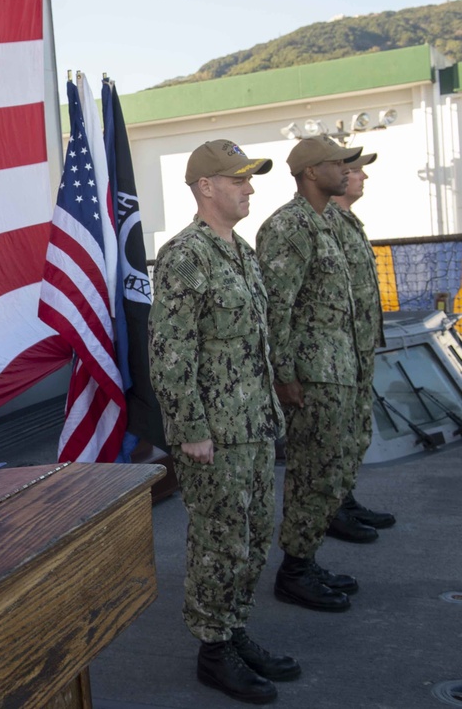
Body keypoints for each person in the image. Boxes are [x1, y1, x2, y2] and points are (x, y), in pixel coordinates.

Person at [150, 140, 298, 704]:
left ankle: (235, 632)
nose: (250, 187)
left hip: (253, 424)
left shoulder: (238, 250)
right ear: (206, 187)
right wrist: (191, 430)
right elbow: (171, 352)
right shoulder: (187, 255)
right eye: (238, 180)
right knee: (220, 542)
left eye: (250, 179)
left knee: (254, 535)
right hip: (215, 432)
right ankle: (214, 651)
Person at [255, 135, 361, 614]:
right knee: (311, 472)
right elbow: (277, 309)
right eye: (334, 162)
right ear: (310, 173)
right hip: (312, 374)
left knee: (329, 470)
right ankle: (294, 571)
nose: (344, 168)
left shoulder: (327, 222)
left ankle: (307, 557)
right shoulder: (288, 227)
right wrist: (284, 376)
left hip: (338, 367)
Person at [323, 153, 397, 542]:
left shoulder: (348, 222)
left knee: (354, 434)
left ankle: (344, 500)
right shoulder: (327, 225)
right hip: (337, 357)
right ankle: (332, 508)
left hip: (358, 351)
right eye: (354, 170)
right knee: (336, 439)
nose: (363, 175)